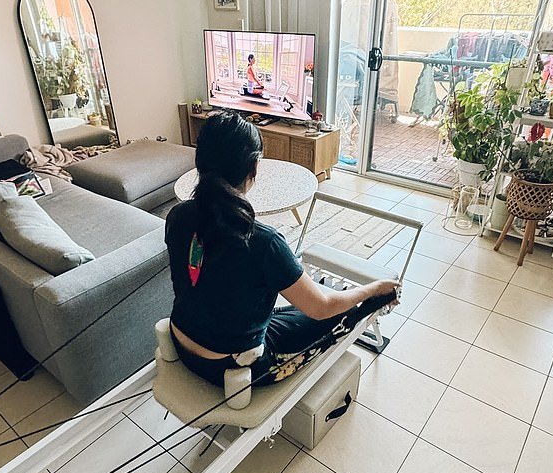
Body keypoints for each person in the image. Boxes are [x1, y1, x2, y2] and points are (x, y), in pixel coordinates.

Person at [164, 111, 399, 387]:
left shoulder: (177, 215)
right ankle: (377, 297)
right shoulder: (264, 242)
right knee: (341, 309)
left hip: (182, 340)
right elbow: (321, 308)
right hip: (231, 365)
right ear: (254, 168)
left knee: (288, 311)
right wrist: (373, 289)